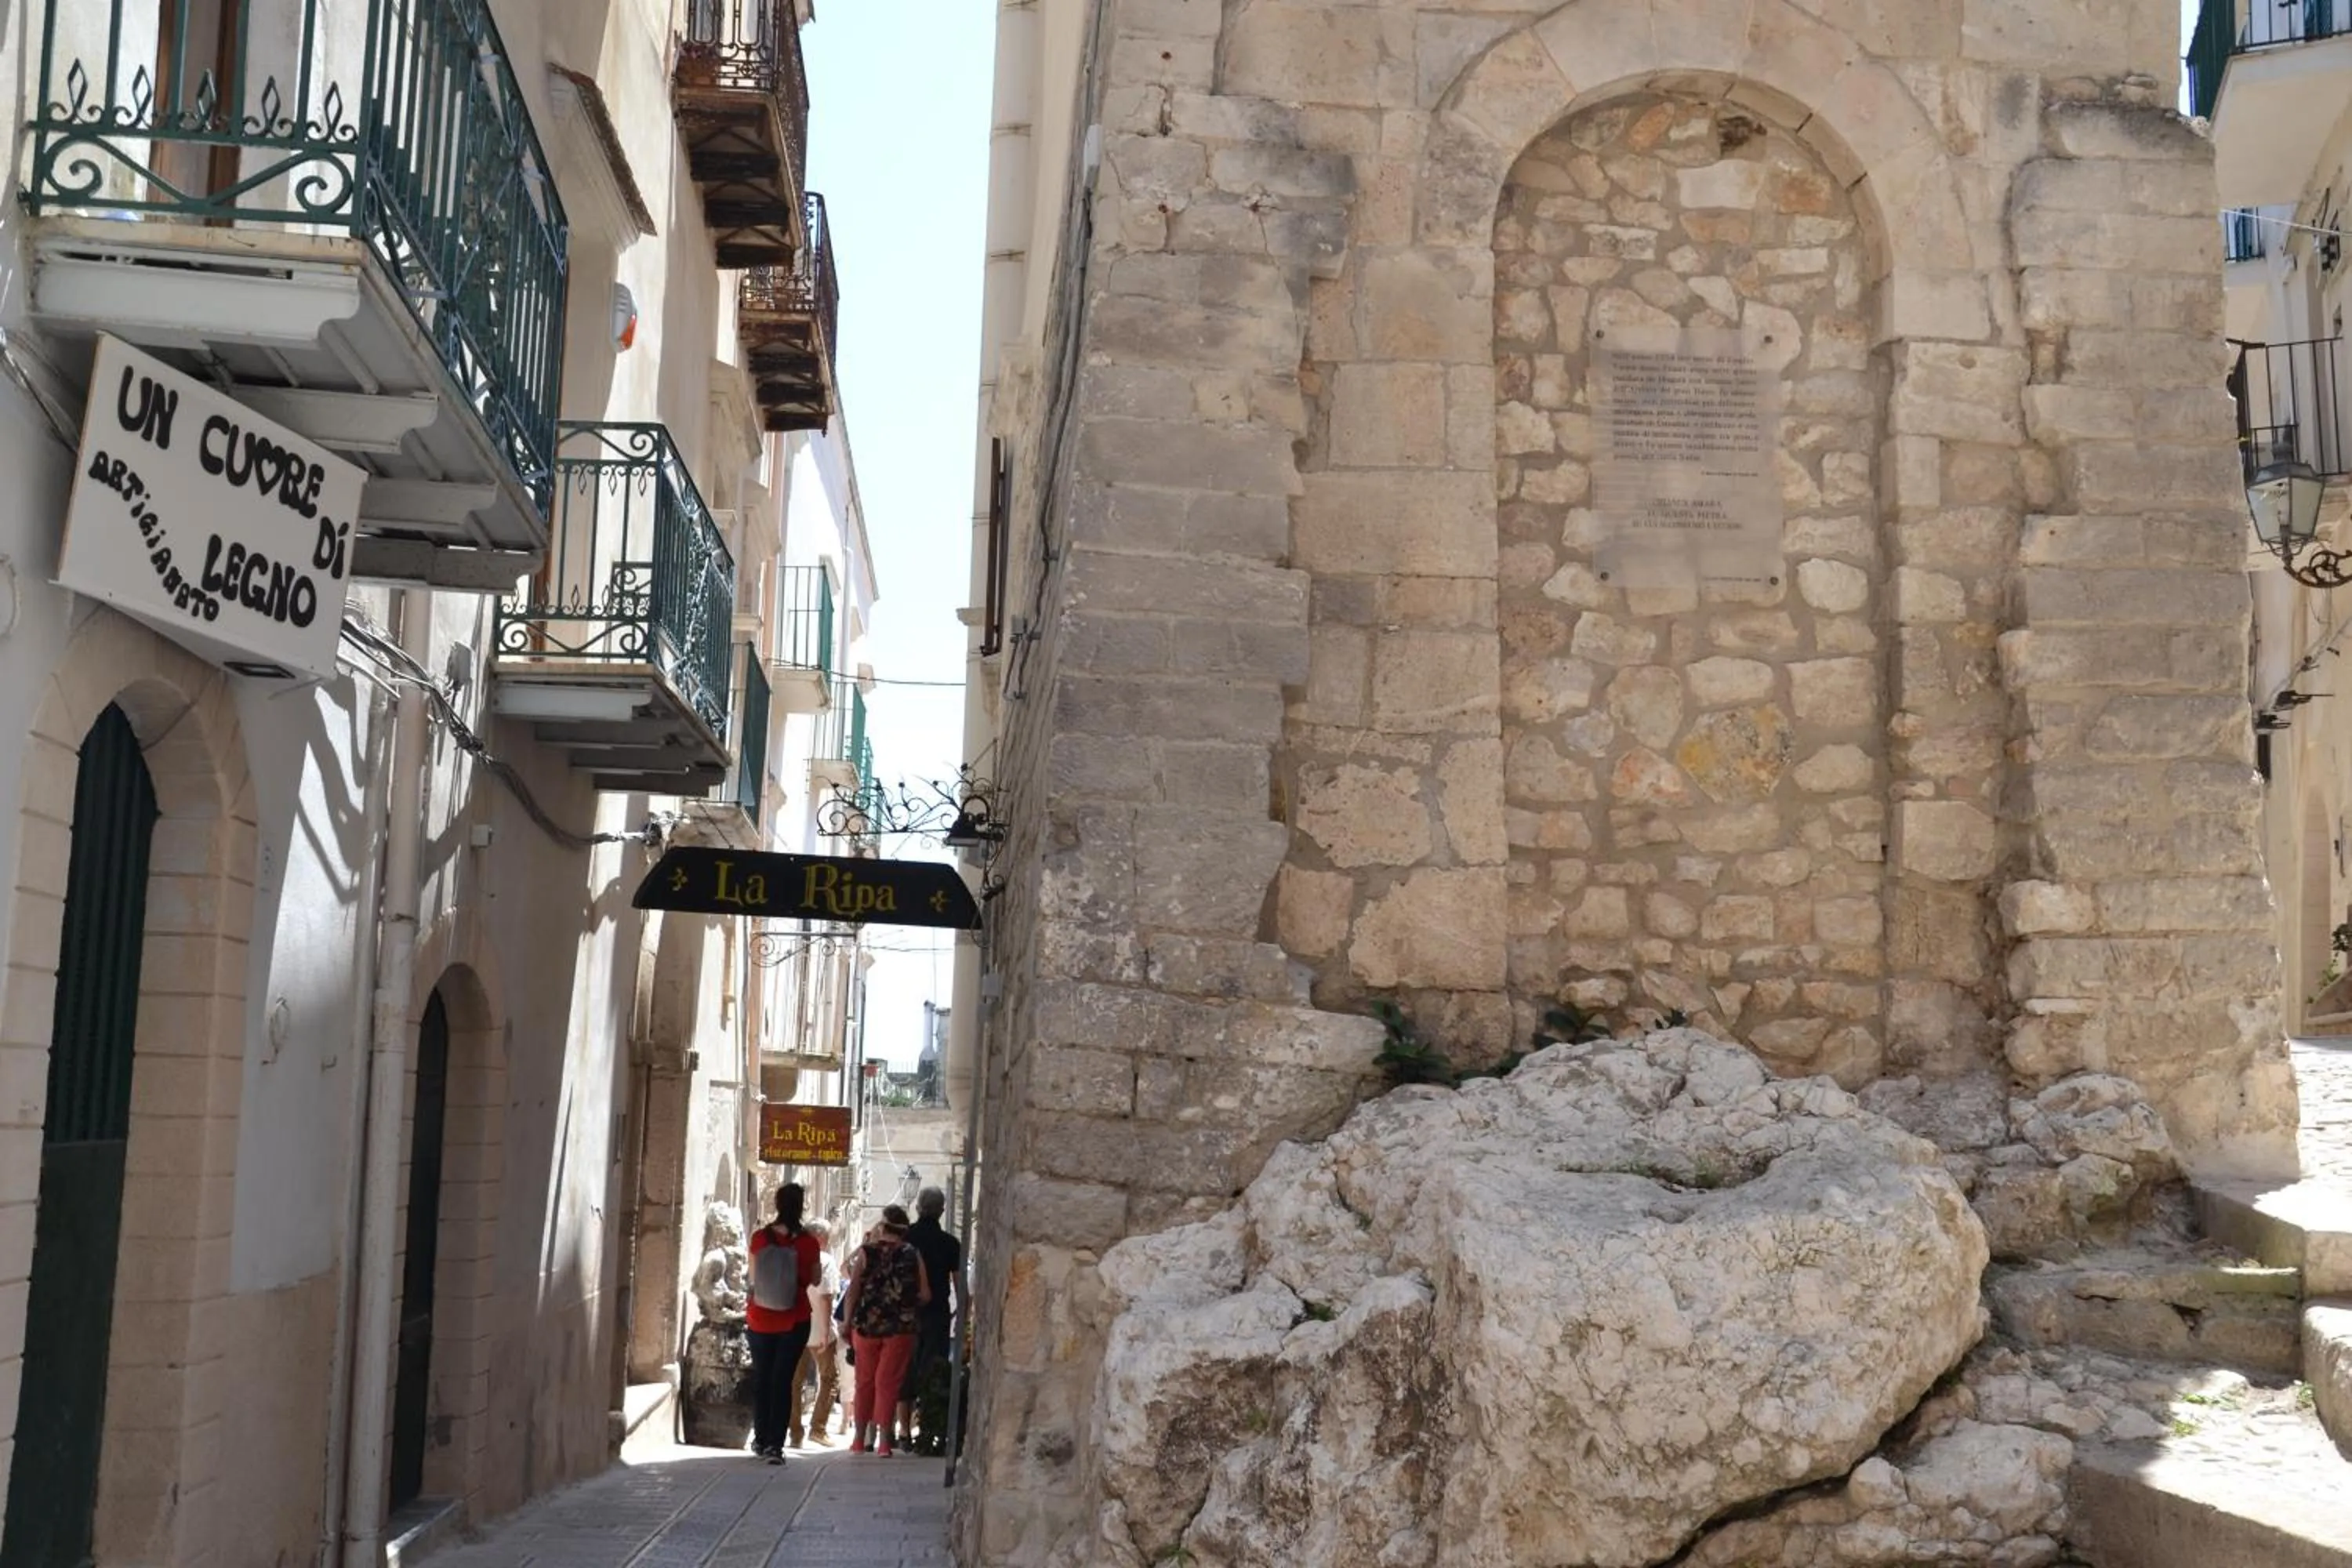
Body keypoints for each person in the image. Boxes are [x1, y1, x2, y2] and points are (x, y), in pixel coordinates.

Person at [841, 1204, 930, 1457]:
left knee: (864, 1381)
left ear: (883, 1225)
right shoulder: (912, 1253)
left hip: (866, 1325)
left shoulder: (867, 1252)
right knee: (888, 1383)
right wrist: (905, 1302)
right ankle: (883, 1442)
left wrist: (847, 1322)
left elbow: (852, 1291)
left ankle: (859, 1439)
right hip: (900, 1327)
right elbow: (926, 1294)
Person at [745, 1183, 823, 1465]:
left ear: (777, 1205)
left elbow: (752, 1277)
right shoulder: (809, 1243)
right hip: (794, 1318)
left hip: (760, 1317)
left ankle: (760, 1437)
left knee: (762, 1379)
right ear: (801, 1206)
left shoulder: (759, 1238)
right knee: (783, 1382)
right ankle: (775, 1445)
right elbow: (816, 1279)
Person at [899, 1187, 965, 1449]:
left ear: (918, 1207)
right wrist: (962, 1314)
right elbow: (959, 1284)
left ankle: (903, 1432)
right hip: (937, 1314)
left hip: (906, 1314)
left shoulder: (906, 1238)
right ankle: (927, 1429)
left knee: (905, 1369)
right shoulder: (950, 1243)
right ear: (942, 1210)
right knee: (933, 1371)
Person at [788, 1220, 840, 1447]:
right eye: (827, 1237)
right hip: (818, 1327)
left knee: (794, 1381)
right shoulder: (825, 1260)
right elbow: (826, 1296)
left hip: (794, 1325)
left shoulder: (791, 1256)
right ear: (820, 1238)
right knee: (830, 1378)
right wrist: (827, 1330)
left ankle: (795, 1433)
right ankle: (818, 1428)